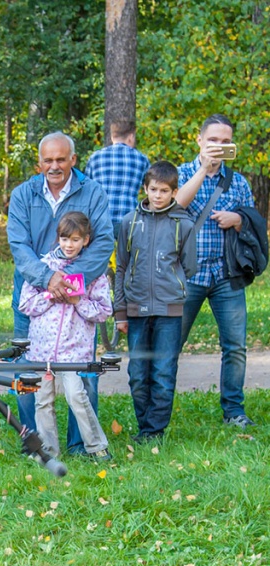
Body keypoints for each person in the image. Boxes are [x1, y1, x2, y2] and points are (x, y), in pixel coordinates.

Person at [7, 132, 113, 453]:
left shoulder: (92, 192)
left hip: (76, 301)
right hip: (35, 296)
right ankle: (36, 442)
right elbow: (19, 245)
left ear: (73, 160)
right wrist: (47, 278)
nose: (54, 166)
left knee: (81, 376)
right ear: (39, 163)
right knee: (28, 372)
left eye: (60, 159)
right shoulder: (24, 194)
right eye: (48, 160)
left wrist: (71, 282)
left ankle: (81, 444)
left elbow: (104, 241)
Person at [175, 114, 257, 428]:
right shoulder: (182, 172)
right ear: (199, 140)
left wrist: (238, 220)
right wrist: (202, 171)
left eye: (225, 142)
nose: (219, 147)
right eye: (213, 141)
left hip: (227, 275)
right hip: (188, 274)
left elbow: (252, 221)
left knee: (235, 346)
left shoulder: (239, 181)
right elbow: (175, 207)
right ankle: (159, 412)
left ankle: (234, 411)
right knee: (172, 344)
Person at [113, 161, 196, 441]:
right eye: (153, 190)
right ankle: (144, 424)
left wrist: (173, 286)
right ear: (145, 189)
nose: (157, 195)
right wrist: (120, 311)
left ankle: (153, 431)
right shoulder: (129, 222)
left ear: (174, 192)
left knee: (162, 371)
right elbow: (121, 266)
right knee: (138, 373)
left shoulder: (183, 224)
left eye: (164, 191)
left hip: (169, 312)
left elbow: (189, 266)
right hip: (136, 310)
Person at [19, 212, 112, 461]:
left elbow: (103, 311)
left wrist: (77, 301)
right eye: (64, 238)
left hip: (74, 350)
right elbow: (26, 305)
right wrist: (52, 294)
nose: (69, 245)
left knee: (77, 396)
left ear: (86, 240)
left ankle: (97, 446)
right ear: (57, 238)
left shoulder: (93, 273)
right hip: (42, 350)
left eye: (75, 239)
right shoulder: (43, 268)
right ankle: (48, 451)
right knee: (43, 401)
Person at [84, 120, 150, 229]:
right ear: (131, 137)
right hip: (130, 219)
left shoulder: (95, 158)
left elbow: (86, 189)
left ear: (112, 136)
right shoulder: (141, 159)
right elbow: (151, 188)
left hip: (99, 219)